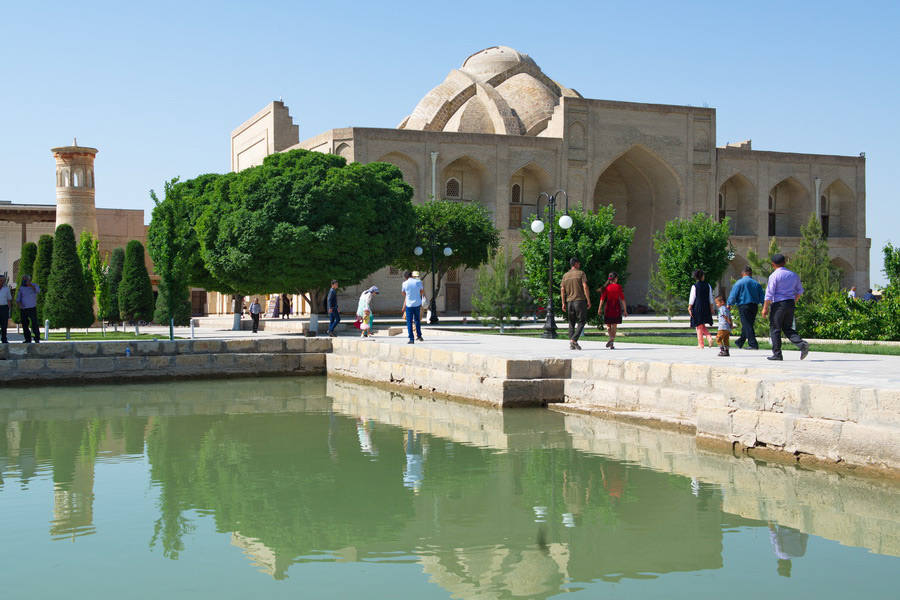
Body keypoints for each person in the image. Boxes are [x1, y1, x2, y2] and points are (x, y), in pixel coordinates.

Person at [762, 253, 809, 361]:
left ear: (773, 264)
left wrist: (765, 308)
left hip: (778, 305)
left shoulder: (774, 276)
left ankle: (777, 354)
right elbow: (800, 291)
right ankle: (801, 344)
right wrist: (793, 302)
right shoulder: (794, 275)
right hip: (790, 303)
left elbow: (769, 294)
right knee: (787, 327)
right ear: (785, 262)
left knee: (775, 329)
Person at [727, 266, 765, 350]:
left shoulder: (739, 283)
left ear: (742, 274)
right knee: (748, 324)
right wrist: (764, 306)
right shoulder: (756, 284)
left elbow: (733, 295)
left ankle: (753, 344)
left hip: (744, 306)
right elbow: (762, 296)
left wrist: (729, 304)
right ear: (751, 274)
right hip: (754, 306)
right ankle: (740, 342)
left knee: (747, 325)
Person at [560, 258, 590, 350]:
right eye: (579, 263)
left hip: (569, 302)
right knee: (582, 321)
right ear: (576, 264)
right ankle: (574, 339)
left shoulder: (565, 275)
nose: (579, 265)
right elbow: (585, 286)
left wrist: (563, 303)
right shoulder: (581, 273)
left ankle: (572, 343)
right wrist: (588, 299)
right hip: (579, 300)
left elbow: (562, 289)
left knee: (571, 322)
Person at [598, 272, 626, 350]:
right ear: (615, 278)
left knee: (608, 325)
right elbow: (622, 299)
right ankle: (612, 341)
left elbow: (602, 299)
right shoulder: (619, 287)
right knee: (614, 326)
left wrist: (599, 308)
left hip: (609, 306)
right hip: (616, 306)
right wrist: (625, 310)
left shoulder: (606, 288)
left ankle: (611, 338)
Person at [688, 269, 714, 349]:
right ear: (702, 276)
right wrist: (711, 308)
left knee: (698, 325)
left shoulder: (694, 286)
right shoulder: (708, 285)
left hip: (697, 307)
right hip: (706, 306)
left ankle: (701, 343)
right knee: (702, 324)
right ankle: (709, 338)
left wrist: (689, 307)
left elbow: (692, 298)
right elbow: (710, 298)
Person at [15, 274, 41, 344]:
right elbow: (19, 297)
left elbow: (38, 291)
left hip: (32, 308)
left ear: (29, 280)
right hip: (23, 308)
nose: (24, 280)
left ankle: (37, 338)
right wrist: (18, 302)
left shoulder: (34, 285)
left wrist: (31, 285)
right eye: (23, 279)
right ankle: (27, 339)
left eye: (25, 279)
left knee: (34, 323)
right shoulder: (21, 288)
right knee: (24, 325)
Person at [401, 271, 425, 344]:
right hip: (417, 303)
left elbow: (403, 293)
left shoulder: (404, 283)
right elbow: (422, 291)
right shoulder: (419, 282)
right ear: (411, 275)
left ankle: (411, 339)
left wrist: (409, 293)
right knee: (417, 320)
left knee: (409, 321)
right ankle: (419, 335)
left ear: (405, 277)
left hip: (409, 304)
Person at [0, 274, 12, 344]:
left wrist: (9, 309)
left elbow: (9, 299)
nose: (2, 282)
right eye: (0, 280)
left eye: (3, 280)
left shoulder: (6, 289)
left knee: (4, 325)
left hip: (4, 308)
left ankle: (4, 339)